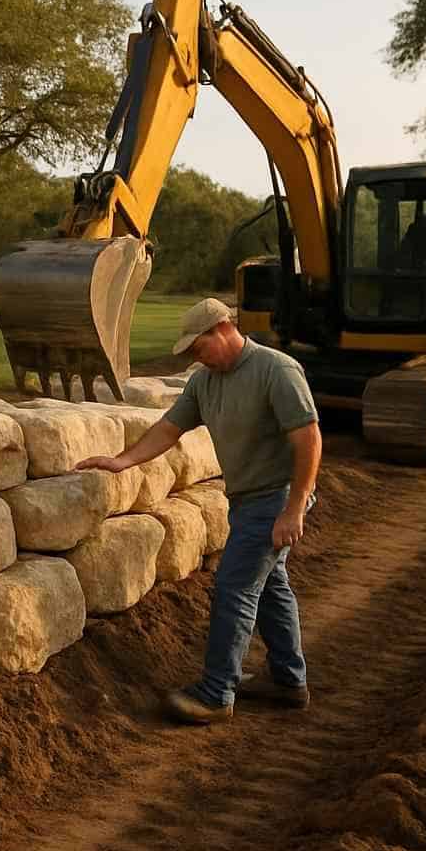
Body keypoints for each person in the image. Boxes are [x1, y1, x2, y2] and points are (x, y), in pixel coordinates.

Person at [76, 297, 321, 724]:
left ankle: (215, 692)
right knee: (269, 588)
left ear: (222, 329)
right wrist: (122, 461)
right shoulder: (205, 381)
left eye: (198, 346)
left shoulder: (275, 370)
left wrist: (295, 507)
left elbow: (308, 439)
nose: (195, 356)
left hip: (276, 498)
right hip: (245, 500)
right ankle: (288, 681)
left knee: (234, 588)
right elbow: (170, 428)